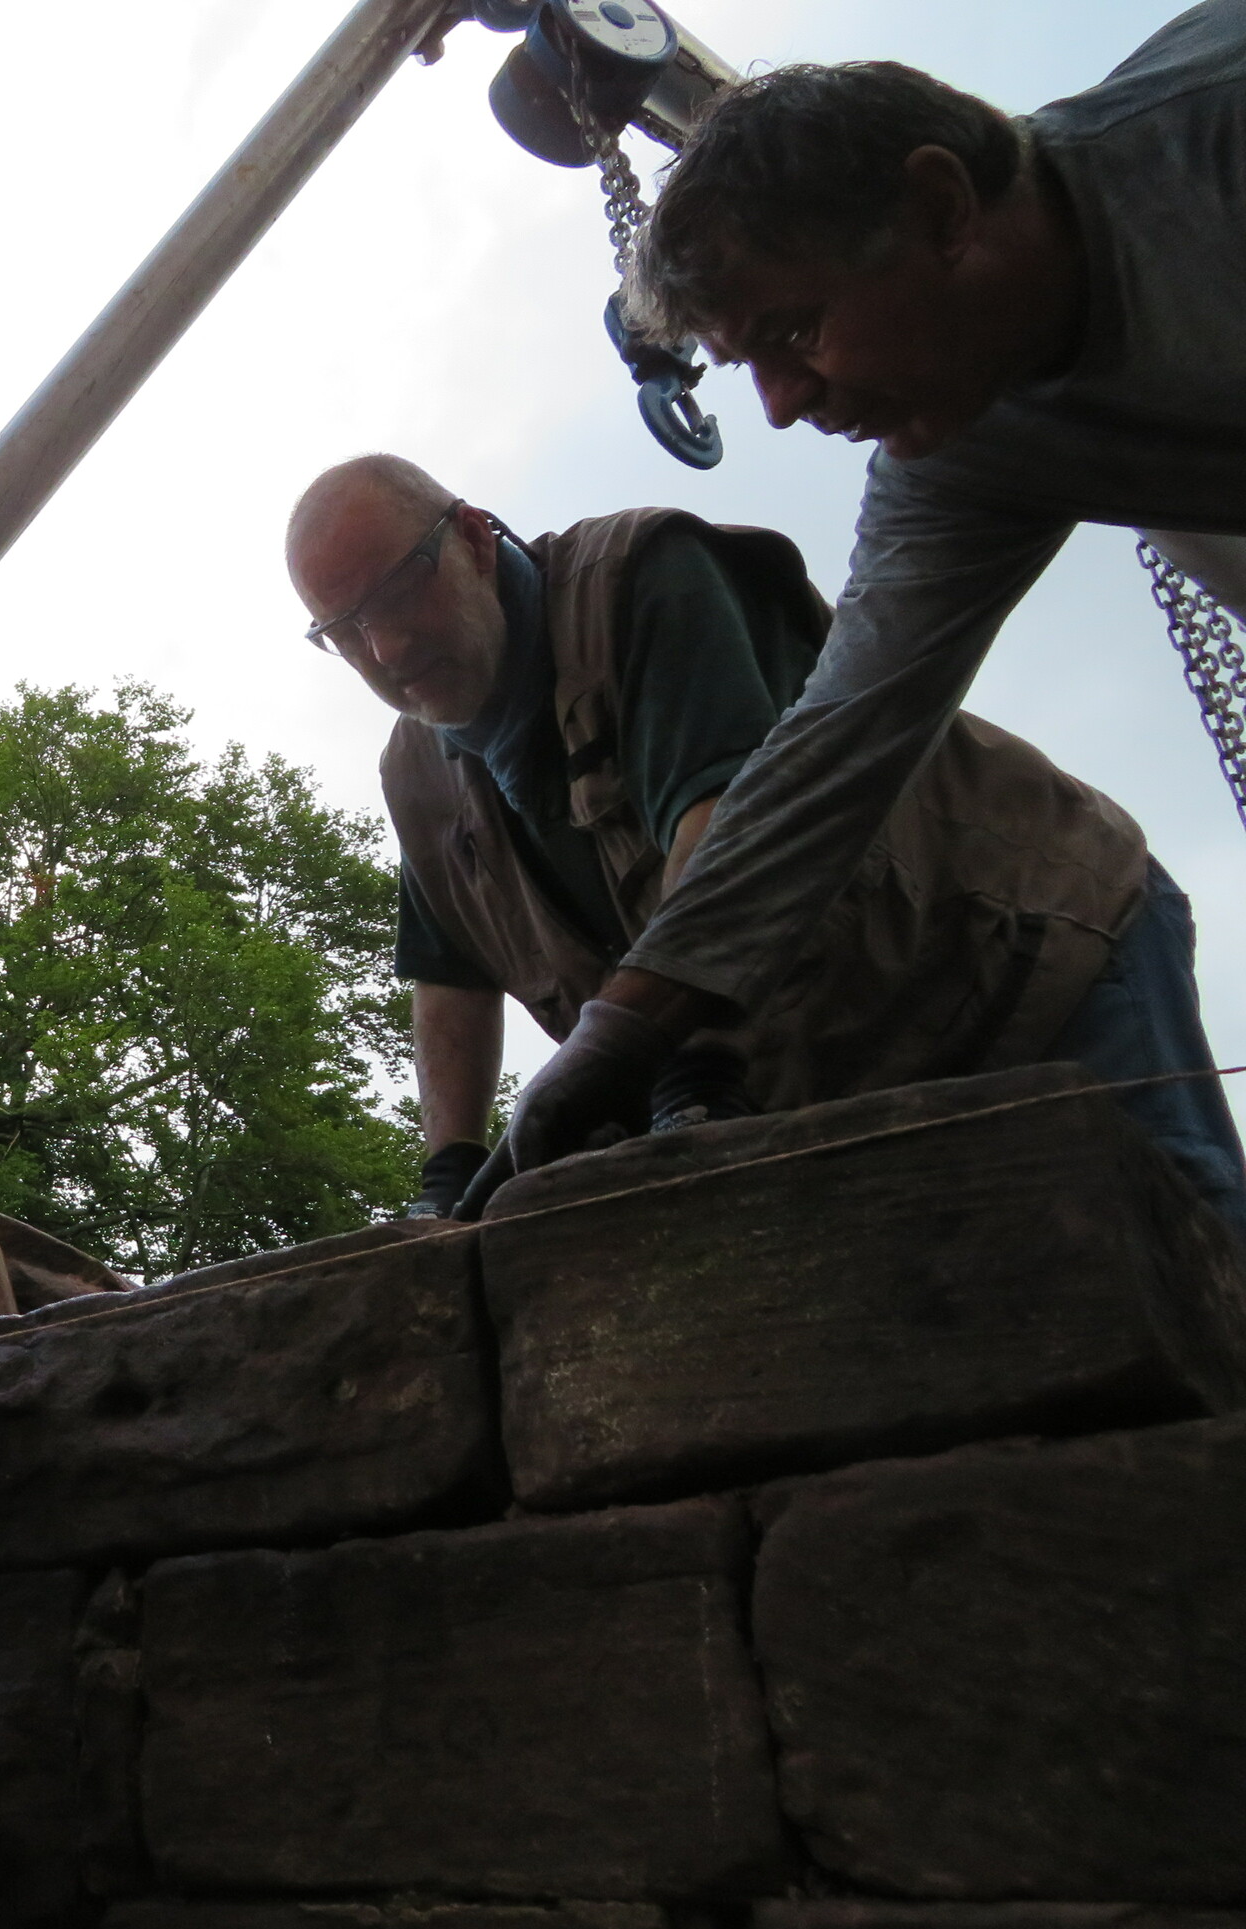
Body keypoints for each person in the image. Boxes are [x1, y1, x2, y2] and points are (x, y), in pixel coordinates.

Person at [475, 5, 1246, 1209]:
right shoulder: (969, 449)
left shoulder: (1210, 146)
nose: (782, 406)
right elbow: (839, 739)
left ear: (942, 207)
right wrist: (625, 1026)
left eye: (795, 332)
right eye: (749, 364)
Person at [287, 455, 1246, 1230]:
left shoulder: (642, 580)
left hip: (1026, 951)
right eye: (344, 628)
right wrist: (449, 1185)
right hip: (851, 1060)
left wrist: (679, 1060)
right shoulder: (417, 773)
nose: (386, 649)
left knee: (1191, 1254)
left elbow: (730, 830)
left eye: (400, 590)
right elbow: (450, 977)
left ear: (471, 539)